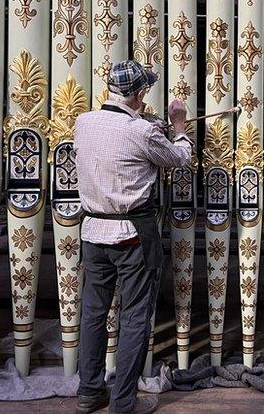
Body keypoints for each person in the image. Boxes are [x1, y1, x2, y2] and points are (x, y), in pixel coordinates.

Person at [74, 60, 192, 414]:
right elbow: (179, 158)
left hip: (93, 232)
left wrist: (146, 125)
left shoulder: (83, 123)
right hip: (133, 236)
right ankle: (122, 402)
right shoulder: (142, 132)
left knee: (93, 314)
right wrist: (179, 127)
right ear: (140, 93)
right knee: (135, 317)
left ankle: (88, 392)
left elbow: (118, 140)